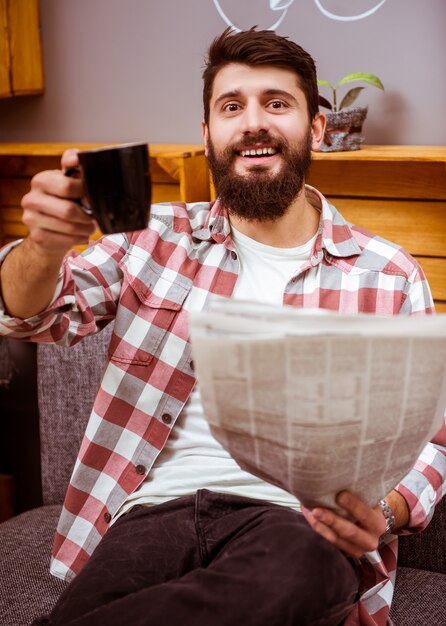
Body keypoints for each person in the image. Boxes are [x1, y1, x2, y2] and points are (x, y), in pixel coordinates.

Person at [0, 27, 444, 626]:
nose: (254, 122)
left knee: (302, 570)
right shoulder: (149, 239)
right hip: (149, 514)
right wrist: (44, 247)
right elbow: (33, 314)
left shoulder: (389, 274)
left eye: (277, 103)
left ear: (316, 128)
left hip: (291, 523)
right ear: (207, 134)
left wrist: (386, 512)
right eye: (232, 106)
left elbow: (433, 442)